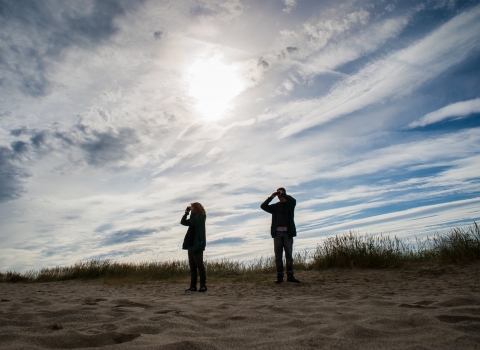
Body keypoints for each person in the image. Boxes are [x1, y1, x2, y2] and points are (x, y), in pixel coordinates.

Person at [261, 188, 300, 284]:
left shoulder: (290, 205)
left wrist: (284, 195)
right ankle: (279, 277)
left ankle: (290, 276)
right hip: (277, 234)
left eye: (280, 193)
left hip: (288, 233)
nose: (279, 195)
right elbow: (263, 206)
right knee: (278, 256)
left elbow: (293, 200)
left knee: (289, 255)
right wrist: (271, 197)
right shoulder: (275, 207)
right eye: (278, 194)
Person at [181, 202, 207, 292]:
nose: (191, 209)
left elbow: (193, 221)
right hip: (190, 244)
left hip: (198, 244)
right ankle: (193, 285)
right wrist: (186, 213)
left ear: (197, 208)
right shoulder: (193, 218)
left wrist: (191, 213)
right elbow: (183, 222)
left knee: (199, 264)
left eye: (192, 208)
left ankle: (203, 284)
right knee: (192, 266)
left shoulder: (201, 218)